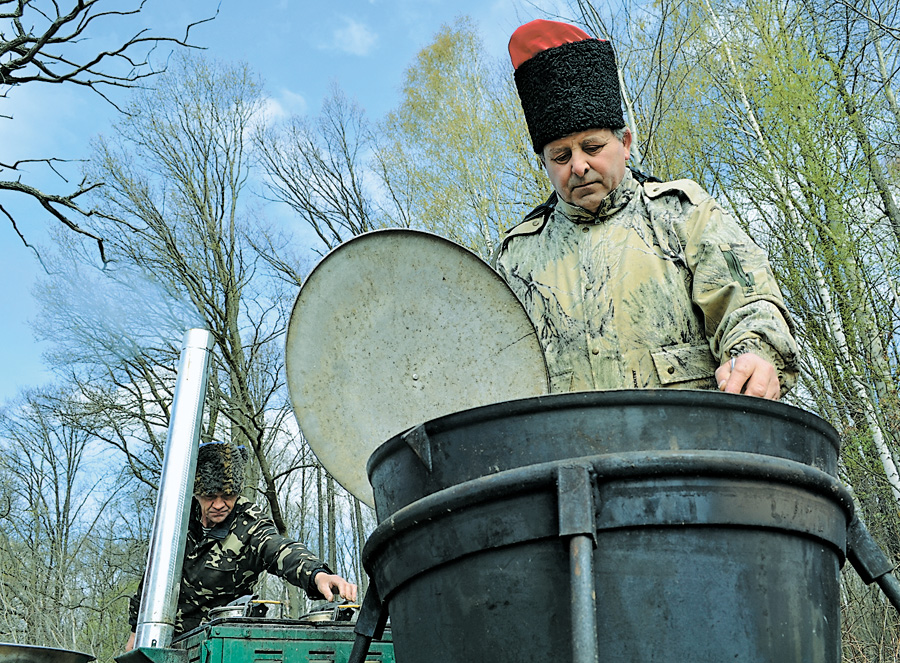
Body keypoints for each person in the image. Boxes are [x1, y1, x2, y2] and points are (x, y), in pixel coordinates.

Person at [493, 19, 799, 400]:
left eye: (592, 147)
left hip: (691, 449)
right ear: (544, 164)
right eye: (561, 155)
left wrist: (754, 354)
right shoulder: (516, 257)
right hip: (567, 457)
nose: (578, 166)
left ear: (624, 142)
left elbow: (746, 304)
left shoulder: (681, 213)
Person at [126, 442, 357, 650]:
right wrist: (136, 630)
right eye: (210, 496)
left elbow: (279, 549)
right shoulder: (177, 522)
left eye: (228, 495)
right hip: (169, 642)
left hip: (220, 644)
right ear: (196, 493)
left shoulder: (249, 523)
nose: (219, 504)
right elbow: (151, 579)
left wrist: (317, 575)